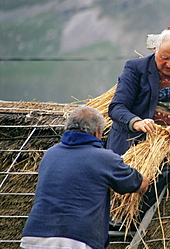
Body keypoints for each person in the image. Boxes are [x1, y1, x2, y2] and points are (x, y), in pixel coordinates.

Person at [106, 30, 170, 222]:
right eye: (164, 58)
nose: (169, 64)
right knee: (128, 176)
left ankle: (141, 205)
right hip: (135, 141)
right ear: (155, 50)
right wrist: (137, 122)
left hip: (167, 140)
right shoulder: (136, 68)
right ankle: (121, 213)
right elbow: (117, 107)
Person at [21, 106, 150, 249]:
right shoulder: (104, 158)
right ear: (96, 131)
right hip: (74, 239)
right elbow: (139, 183)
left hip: (33, 235)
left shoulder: (50, 154)